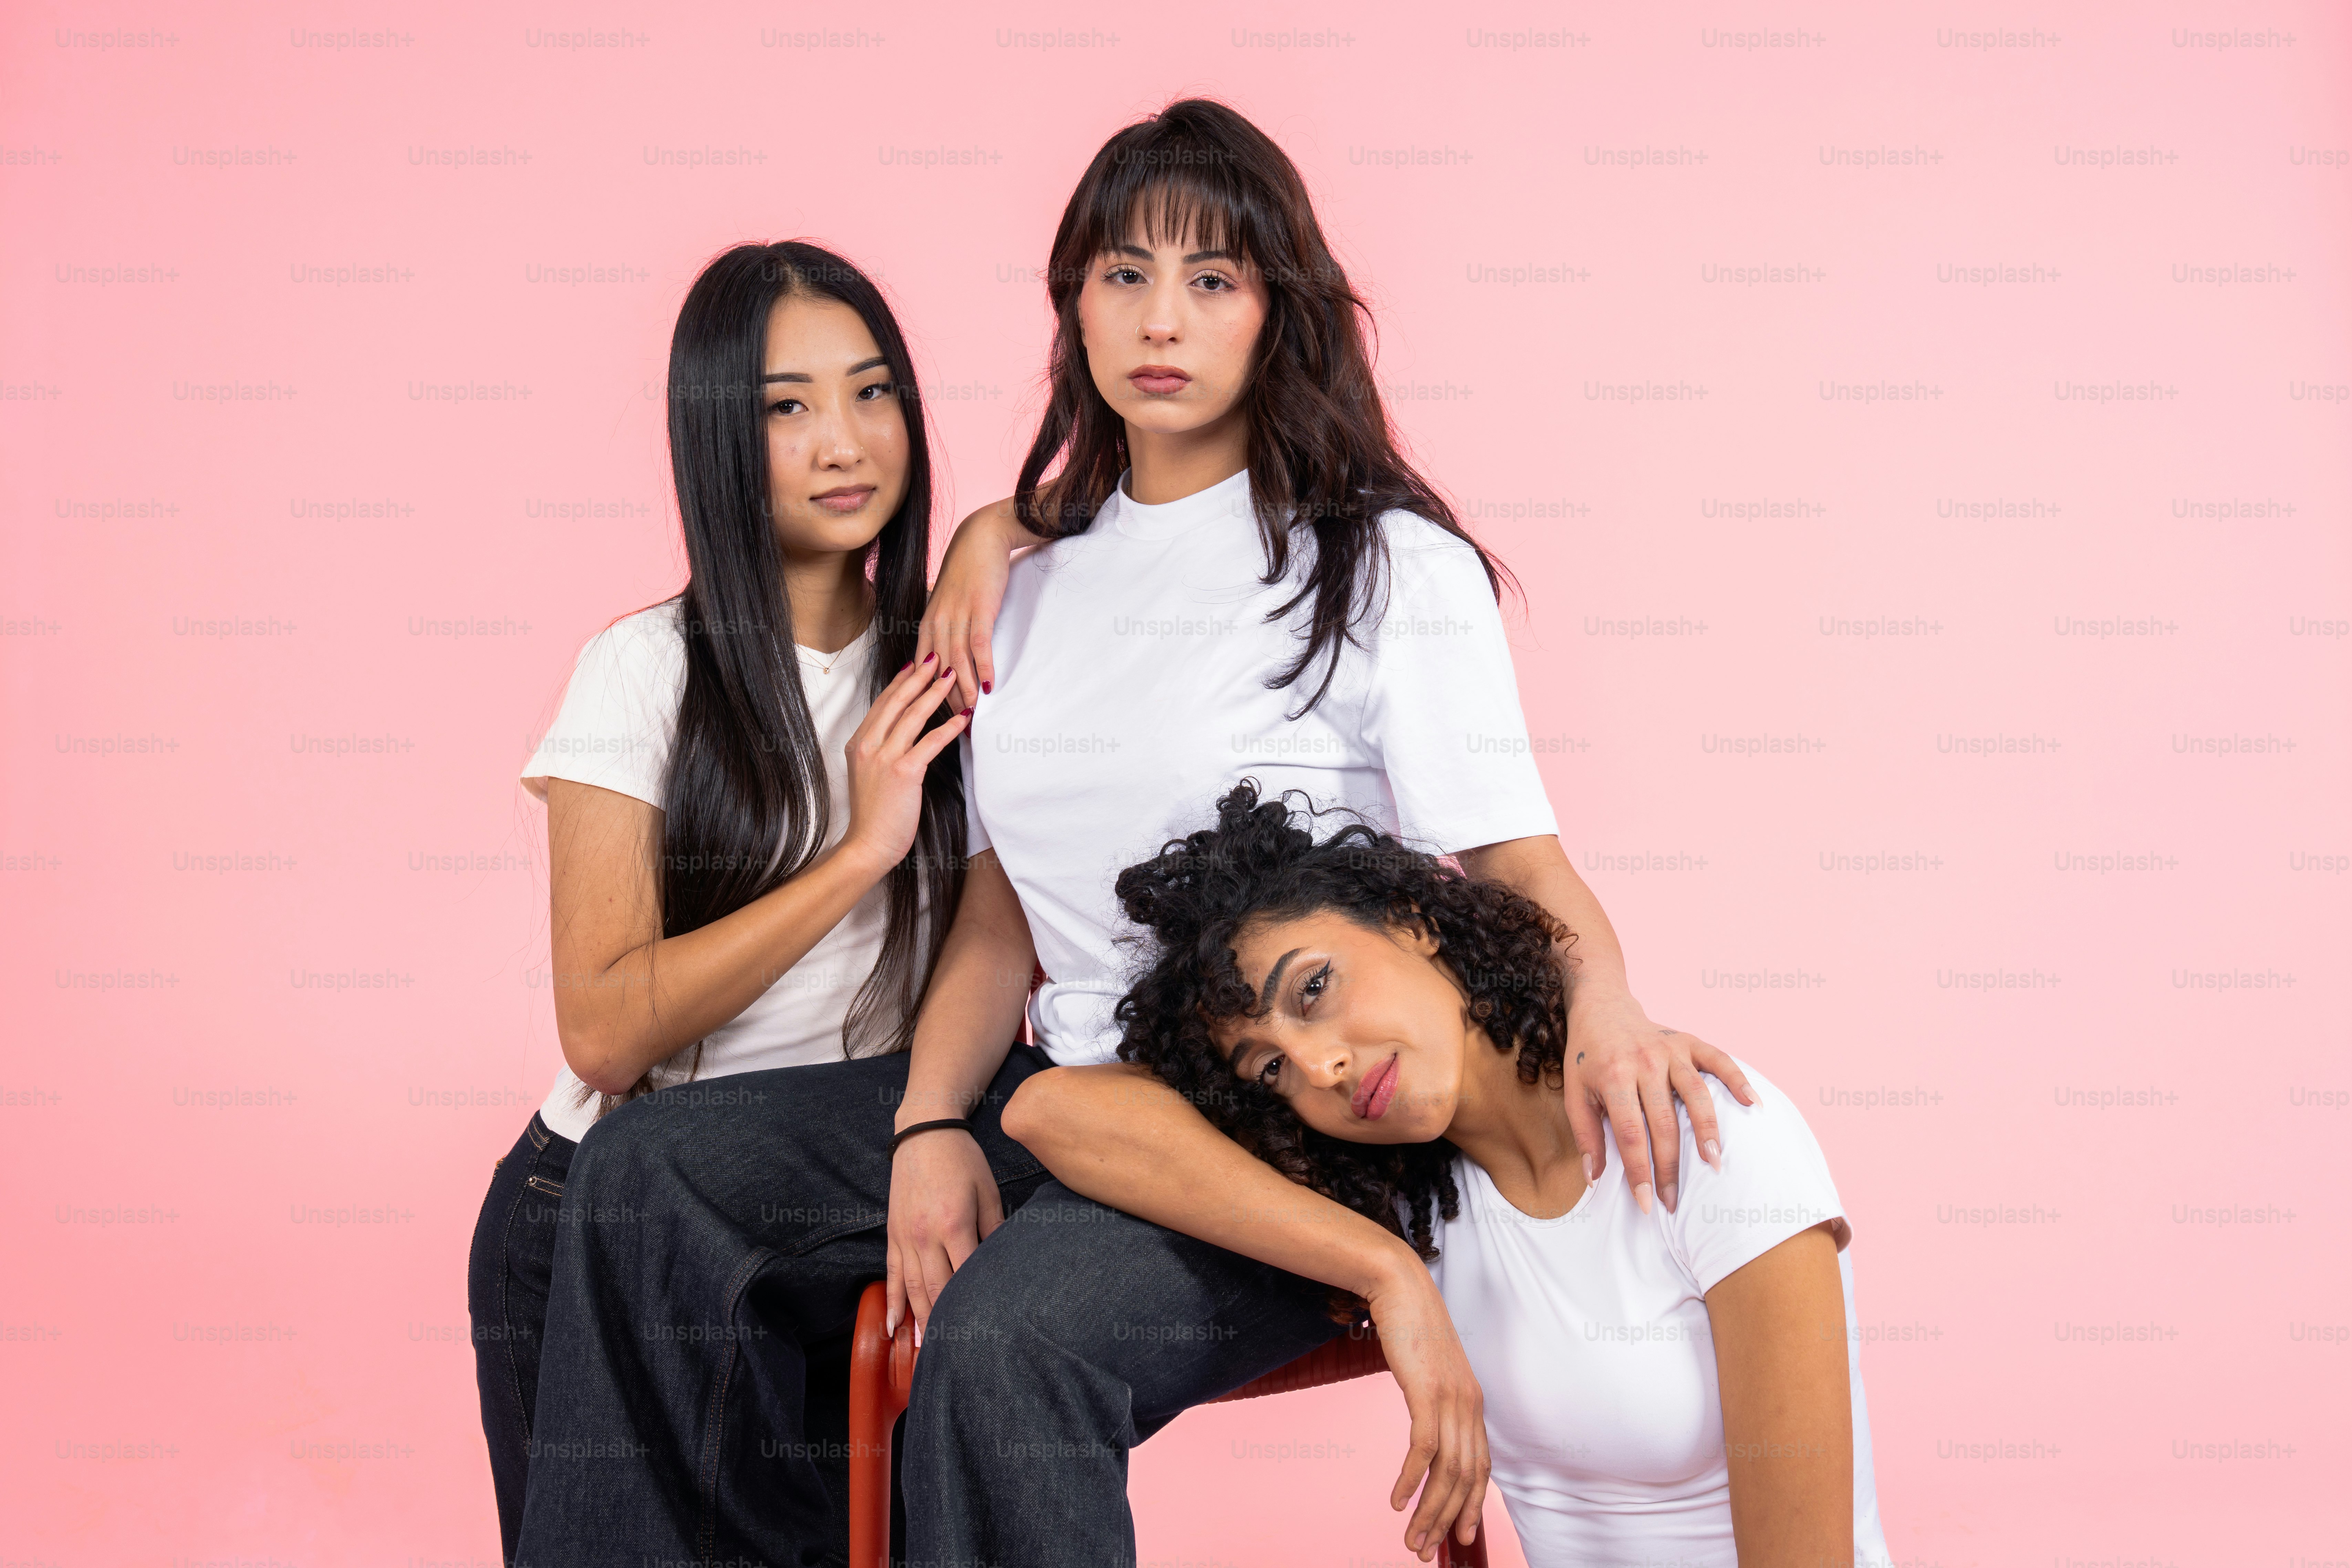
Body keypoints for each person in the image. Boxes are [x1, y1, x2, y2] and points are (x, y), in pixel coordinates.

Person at [515, 98, 1752, 1568]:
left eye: (1212, 279)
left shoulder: (1385, 568)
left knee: (1004, 1349)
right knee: (645, 1176)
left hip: (1286, 1123)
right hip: (1063, 1091)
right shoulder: (1025, 588)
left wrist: (1610, 1005)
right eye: (1123, 274)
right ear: (1074, 307)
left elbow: (1517, 866)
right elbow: (1003, 912)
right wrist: (923, 1122)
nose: (1161, 317)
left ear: (1273, 314)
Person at [1010, 780, 1893, 1568]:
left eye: (1313, 989)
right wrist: (1386, 1272)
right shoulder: (1421, 1208)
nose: (1319, 1068)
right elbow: (1046, 1112)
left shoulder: (1699, 1132)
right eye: (1270, 1070)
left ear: (1415, 923)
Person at [469, 240, 972, 1566]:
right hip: (607, 1223)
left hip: (835, 1208)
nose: (844, 441)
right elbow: (606, 1031)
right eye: (786, 408)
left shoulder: (952, 659)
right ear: (714, 437)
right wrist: (860, 855)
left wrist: (998, 535)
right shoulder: (643, 673)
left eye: (872, 395)